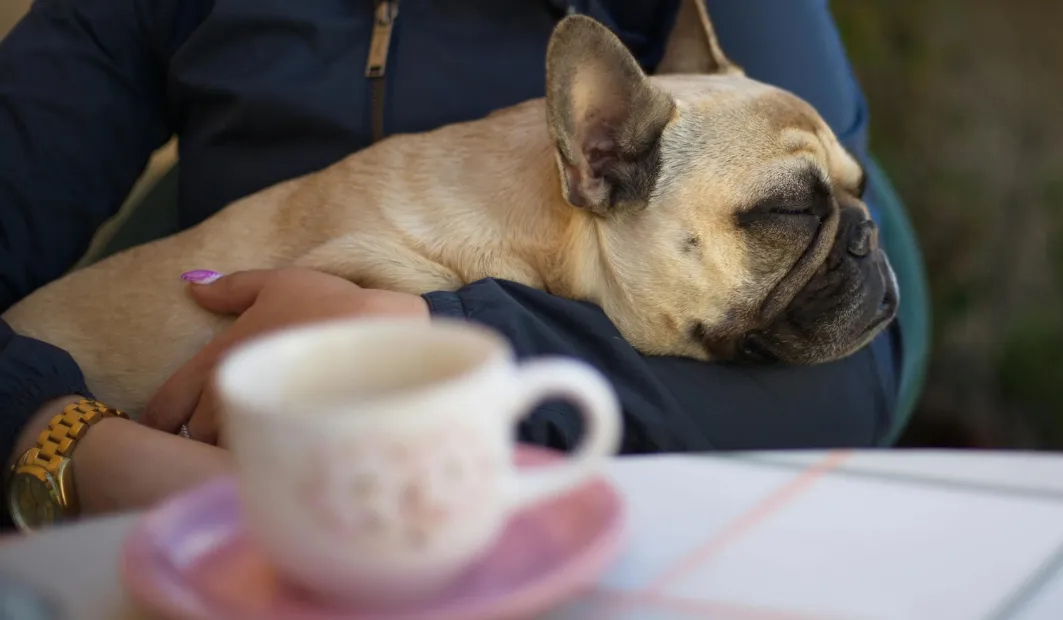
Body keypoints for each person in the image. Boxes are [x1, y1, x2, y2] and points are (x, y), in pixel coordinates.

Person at [0, 0, 902, 531]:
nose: (854, 241)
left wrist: (446, 346)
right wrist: (66, 437)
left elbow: (842, 395)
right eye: (789, 212)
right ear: (594, 154)